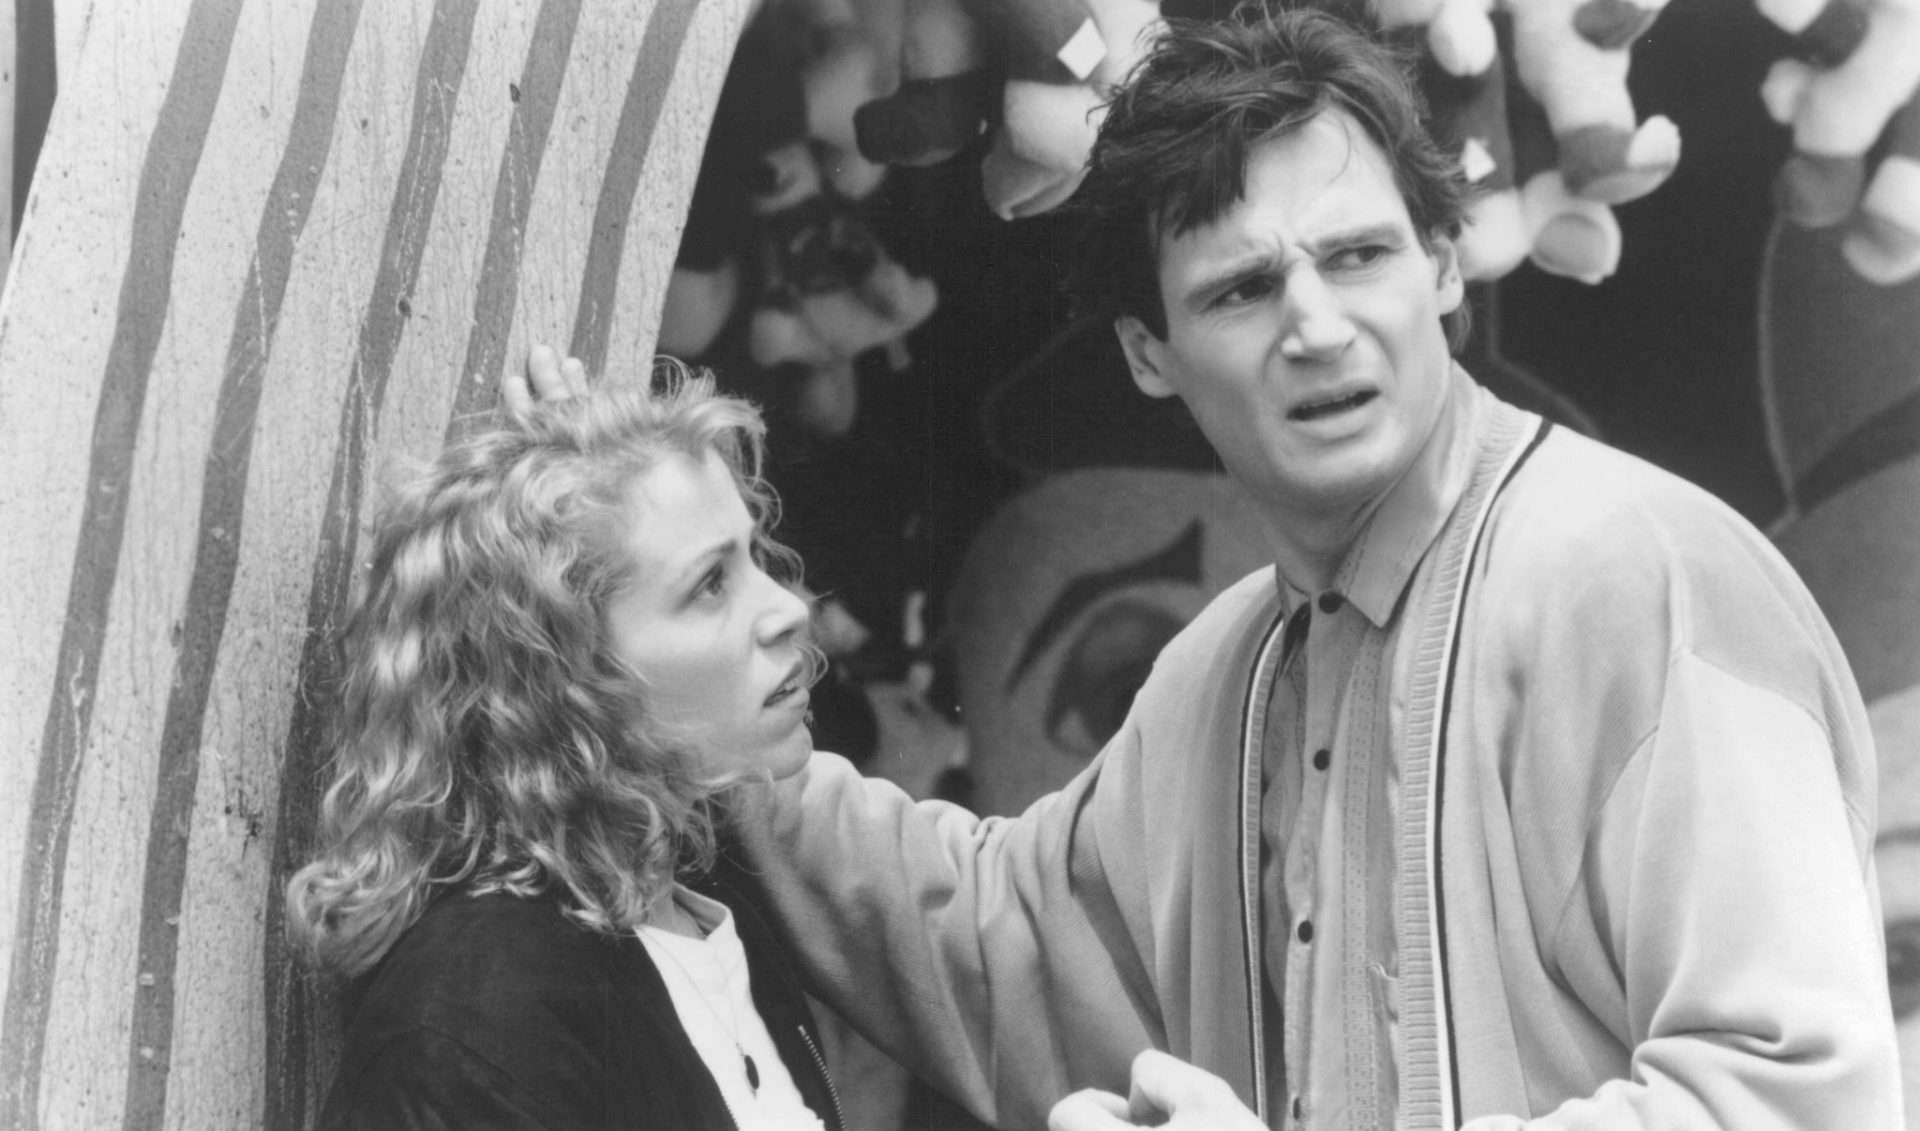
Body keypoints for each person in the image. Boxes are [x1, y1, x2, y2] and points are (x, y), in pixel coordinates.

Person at [635, 4, 1900, 1128]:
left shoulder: (1639, 579)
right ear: (1148, 353)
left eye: (1358, 256)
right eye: (1242, 289)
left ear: (1442, 264)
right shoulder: (1224, 676)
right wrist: (668, 678)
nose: (1316, 325)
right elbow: (996, 943)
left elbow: (1794, 1098)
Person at [285, 357, 844, 1129]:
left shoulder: (707, 911)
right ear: (565, 672)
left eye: (753, 555)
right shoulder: (478, 1018)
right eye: (710, 583)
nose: (789, 608)